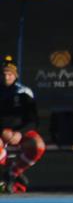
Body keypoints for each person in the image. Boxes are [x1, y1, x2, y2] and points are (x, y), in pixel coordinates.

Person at [1, 60, 46, 193]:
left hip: (20, 132)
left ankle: (13, 172)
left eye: (10, 74)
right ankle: (7, 171)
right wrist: (3, 131)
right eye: (3, 74)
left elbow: (33, 120)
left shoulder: (24, 92)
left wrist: (20, 133)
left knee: (39, 146)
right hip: (2, 133)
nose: (6, 77)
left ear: (15, 76)